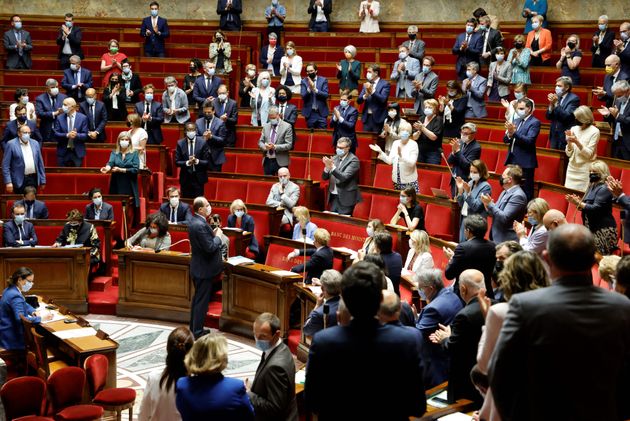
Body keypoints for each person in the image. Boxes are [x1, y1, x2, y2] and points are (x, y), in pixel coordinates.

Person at [490, 224, 630, 421]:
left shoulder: (525, 306)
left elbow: (500, 375)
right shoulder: (622, 307)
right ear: (593, 261)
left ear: (546, 257)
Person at [305, 262, 426, 420]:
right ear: (382, 297)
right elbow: (417, 407)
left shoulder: (324, 342)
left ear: (344, 297)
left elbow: (312, 403)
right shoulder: (407, 340)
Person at [475, 251, 549, 421]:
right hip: (546, 395)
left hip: (512, 398)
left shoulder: (500, 311)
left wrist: (488, 321)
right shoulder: (554, 308)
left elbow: (484, 364)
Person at [430, 269, 486, 406]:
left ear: (463, 289)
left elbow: (452, 348)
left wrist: (445, 338)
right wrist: (453, 334)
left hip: (467, 379)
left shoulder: (464, 315)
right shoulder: (496, 304)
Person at [176, 332, 254, 419]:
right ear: (221, 358)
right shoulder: (236, 387)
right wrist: (247, 392)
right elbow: (249, 416)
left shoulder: (182, 384)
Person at [415, 268, 463, 388]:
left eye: (421, 288)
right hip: (452, 356)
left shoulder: (432, 309)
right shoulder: (451, 295)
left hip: (437, 362)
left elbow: (416, 335)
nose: (419, 291)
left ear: (431, 288)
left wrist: (412, 318)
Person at [247, 313, 298, 421]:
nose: (257, 340)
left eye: (262, 337)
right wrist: (255, 385)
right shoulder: (281, 348)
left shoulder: (275, 367)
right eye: (255, 335)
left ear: (277, 334)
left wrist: (249, 394)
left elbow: (274, 408)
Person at [138, 326, 194, 421]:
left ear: (168, 349)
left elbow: (143, 415)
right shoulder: (196, 384)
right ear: (191, 353)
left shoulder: (154, 377)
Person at [187, 198, 224, 338]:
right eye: (207, 205)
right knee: (201, 302)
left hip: (199, 267)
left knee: (198, 300)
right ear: (200, 209)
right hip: (203, 270)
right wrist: (218, 237)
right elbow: (210, 247)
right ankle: (197, 332)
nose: (210, 207)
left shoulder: (194, 221)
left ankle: (194, 328)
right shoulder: (200, 224)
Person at [566, 160, 618, 256]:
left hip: (603, 231)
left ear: (602, 173)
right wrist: (577, 203)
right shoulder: (592, 186)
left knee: (595, 258)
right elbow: (586, 207)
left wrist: (580, 203)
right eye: (590, 172)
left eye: (594, 172)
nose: (591, 174)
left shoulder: (605, 188)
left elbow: (595, 208)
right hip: (591, 228)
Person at [444, 214, 496, 297]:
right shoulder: (493, 246)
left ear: (468, 231)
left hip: (466, 296)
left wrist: (451, 260)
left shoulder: (463, 248)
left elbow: (449, 275)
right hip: (486, 293)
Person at [0, 268, 51, 351]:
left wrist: (33, 311)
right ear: (20, 279)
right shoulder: (15, 295)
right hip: (13, 339)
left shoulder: (9, 290)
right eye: (29, 281)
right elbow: (21, 319)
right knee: (48, 338)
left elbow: (23, 303)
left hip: (5, 333)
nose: (31, 284)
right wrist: (41, 318)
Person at [503, 98, 539, 200]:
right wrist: (510, 134)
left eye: (521, 108)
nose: (519, 111)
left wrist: (514, 133)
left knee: (525, 191)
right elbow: (505, 140)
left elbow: (529, 141)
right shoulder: (516, 120)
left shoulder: (534, 122)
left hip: (525, 163)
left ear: (529, 109)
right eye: (518, 108)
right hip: (512, 160)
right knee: (512, 188)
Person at [481, 165, 528, 243]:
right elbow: (494, 213)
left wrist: (490, 204)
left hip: (507, 241)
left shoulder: (518, 196)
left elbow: (504, 218)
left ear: (509, 180)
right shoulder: (504, 192)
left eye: (503, 176)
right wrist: (487, 206)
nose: (501, 178)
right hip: (496, 237)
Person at [370, 120, 418, 191]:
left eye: (407, 131)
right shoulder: (396, 143)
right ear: (399, 132)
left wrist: (401, 156)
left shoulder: (413, 144)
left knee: (410, 201)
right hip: (396, 179)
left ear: (410, 133)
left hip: (409, 180)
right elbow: (390, 161)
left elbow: (412, 163)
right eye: (402, 130)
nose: (404, 132)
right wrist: (380, 151)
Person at [2, 125, 46, 195]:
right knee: (20, 203)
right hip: (19, 180)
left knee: (32, 202)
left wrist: (43, 180)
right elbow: (5, 165)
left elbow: (40, 163)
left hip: (33, 179)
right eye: (25, 133)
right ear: (19, 133)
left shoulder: (35, 143)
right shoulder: (11, 144)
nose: (27, 135)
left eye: (29, 133)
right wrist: (8, 182)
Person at [564, 106, 600, 192]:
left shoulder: (594, 131)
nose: (575, 119)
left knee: (581, 197)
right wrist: (569, 142)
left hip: (584, 170)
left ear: (584, 118)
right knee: (568, 194)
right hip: (572, 168)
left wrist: (577, 142)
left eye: (577, 117)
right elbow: (568, 153)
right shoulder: (573, 129)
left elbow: (589, 154)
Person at [100, 132, 140, 208]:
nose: (124, 141)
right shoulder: (114, 152)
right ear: (119, 141)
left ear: (129, 142)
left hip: (129, 183)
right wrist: (107, 168)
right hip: (116, 183)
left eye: (126, 139)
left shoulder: (134, 153)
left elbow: (136, 169)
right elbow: (110, 162)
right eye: (122, 139)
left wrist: (121, 170)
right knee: (116, 205)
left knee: (127, 207)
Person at [322, 137, 361, 215]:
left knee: (342, 221)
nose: (338, 149)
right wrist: (326, 168)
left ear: (348, 148)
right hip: (333, 195)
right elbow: (324, 177)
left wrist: (332, 167)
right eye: (337, 147)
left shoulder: (353, 160)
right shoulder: (335, 158)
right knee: (332, 221)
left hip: (346, 197)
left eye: (341, 148)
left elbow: (344, 177)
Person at [455, 159, 491, 242]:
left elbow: (476, 206)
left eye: (475, 172)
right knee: (462, 244)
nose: (472, 174)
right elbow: (461, 204)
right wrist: (460, 190)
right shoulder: (470, 183)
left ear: (481, 172)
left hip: (475, 224)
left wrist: (468, 192)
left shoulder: (485, 187)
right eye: (471, 171)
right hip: (465, 219)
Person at [303, 270, 341, 336]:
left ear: (322, 288)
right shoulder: (349, 305)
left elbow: (306, 330)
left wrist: (317, 305)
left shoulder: (319, 313)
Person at [176, 122, 209, 199]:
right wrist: (188, 162)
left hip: (198, 179)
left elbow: (207, 162)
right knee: (186, 202)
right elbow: (177, 162)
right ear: (185, 131)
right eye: (188, 130)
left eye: (192, 130)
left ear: (196, 130)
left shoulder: (202, 142)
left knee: (198, 203)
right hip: (185, 179)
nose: (191, 132)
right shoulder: (180, 143)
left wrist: (197, 161)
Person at [53, 97, 89, 167]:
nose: (63, 106)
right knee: (62, 175)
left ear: (72, 107)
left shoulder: (83, 118)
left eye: (65, 105)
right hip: (63, 151)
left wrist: (76, 135)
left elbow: (85, 135)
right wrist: (67, 135)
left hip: (77, 151)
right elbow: (56, 134)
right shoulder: (59, 118)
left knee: (77, 174)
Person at [546, 76, 580, 150]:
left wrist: (555, 104)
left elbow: (566, 116)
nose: (556, 88)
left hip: (565, 135)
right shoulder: (556, 97)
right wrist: (551, 105)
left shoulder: (574, 99)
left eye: (559, 86)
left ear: (567, 87)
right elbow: (548, 116)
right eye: (556, 85)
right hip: (554, 135)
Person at [448, 122, 481, 195]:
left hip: (465, 181)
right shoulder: (460, 142)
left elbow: (467, 166)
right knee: (454, 203)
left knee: (461, 204)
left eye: (466, 134)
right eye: (462, 132)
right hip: (454, 179)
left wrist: (457, 151)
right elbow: (449, 161)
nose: (463, 135)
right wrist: (453, 152)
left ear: (473, 134)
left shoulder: (476, 147)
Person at [258, 106, 293, 176]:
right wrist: (265, 147)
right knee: (267, 183)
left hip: (281, 161)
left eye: (273, 118)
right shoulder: (266, 126)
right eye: (270, 118)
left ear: (278, 115)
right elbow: (260, 142)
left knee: (281, 184)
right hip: (267, 160)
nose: (272, 119)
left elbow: (289, 144)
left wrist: (275, 147)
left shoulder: (287, 126)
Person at [357, 64, 391, 133]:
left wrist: (372, 91)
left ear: (376, 73)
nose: (367, 74)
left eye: (370, 72)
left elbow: (383, 99)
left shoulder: (385, 84)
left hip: (378, 118)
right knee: (366, 140)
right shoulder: (366, 84)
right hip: (367, 118)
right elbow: (358, 101)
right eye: (367, 72)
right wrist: (365, 96)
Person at [602, 80, 630, 160]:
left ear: (628, 91)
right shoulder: (618, 101)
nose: (617, 98)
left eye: (619, 95)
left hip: (628, 141)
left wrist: (617, 115)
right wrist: (608, 114)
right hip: (617, 140)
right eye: (616, 96)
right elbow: (615, 117)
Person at [196, 101, 227, 171]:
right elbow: (195, 137)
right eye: (205, 112)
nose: (206, 114)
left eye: (209, 112)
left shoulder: (220, 123)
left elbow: (222, 140)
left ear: (213, 111)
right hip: (201, 157)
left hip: (215, 157)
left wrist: (211, 136)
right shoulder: (198, 122)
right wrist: (203, 138)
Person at [413, 99, 443, 164]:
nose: (427, 109)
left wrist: (422, 128)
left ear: (435, 109)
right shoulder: (421, 118)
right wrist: (419, 131)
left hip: (433, 153)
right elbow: (414, 137)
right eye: (426, 107)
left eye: (430, 107)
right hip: (420, 151)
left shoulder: (438, 120)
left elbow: (433, 137)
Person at [301, 62, 329, 129]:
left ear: (316, 71)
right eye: (307, 71)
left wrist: (315, 89)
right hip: (310, 113)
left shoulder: (323, 80)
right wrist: (309, 88)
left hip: (321, 113)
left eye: (311, 71)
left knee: (322, 135)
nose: (309, 73)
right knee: (311, 136)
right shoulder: (304, 81)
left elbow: (325, 95)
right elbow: (303, 96)